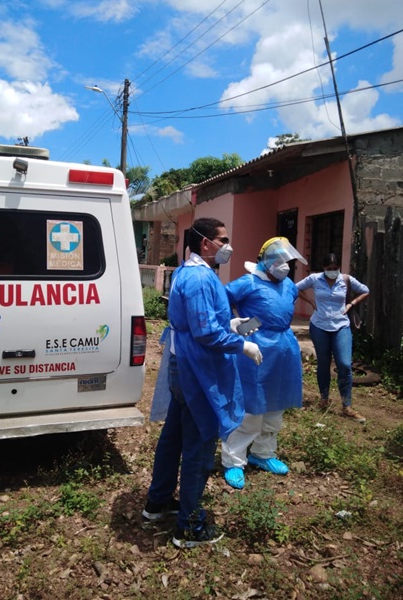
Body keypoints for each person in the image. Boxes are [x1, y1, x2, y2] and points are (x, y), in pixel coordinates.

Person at [143, 217, 262, 548]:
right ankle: (190, 526)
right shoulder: (197, 277)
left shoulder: (192, 272)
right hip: (197, 372)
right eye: (223, 240)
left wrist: (232, 323)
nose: (228, 246)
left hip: (187, 366)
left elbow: (208, 320)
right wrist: (242, 344)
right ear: (206, 243)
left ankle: (159, 501)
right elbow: (205, 331)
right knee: (199, 445)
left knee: (174, 437)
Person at [220, 237, 306, 489]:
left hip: (283, 349)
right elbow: (221, 301)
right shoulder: (248, 282)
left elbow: (281, 311)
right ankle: (234, 460)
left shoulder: (289, 285)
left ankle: (263, 453)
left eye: (287, 261)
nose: (284, 266)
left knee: (275, 404)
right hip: (255, 348)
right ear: (265, 262)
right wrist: (239, 324)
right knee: (250, 406)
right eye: (278, 261)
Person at [296, 253, 370, 423]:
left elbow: (365, 291)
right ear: (323, 268)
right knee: (323, 363)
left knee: (344, 364)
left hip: (341, 326)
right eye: (329, 269)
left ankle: (347, 405)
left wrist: (351, 304)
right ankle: (324, 399)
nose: (332, 271)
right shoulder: (314, 279)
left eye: (335, 268)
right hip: (319, 326)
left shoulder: (345, 280)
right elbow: (295, 288)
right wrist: (311, 302)